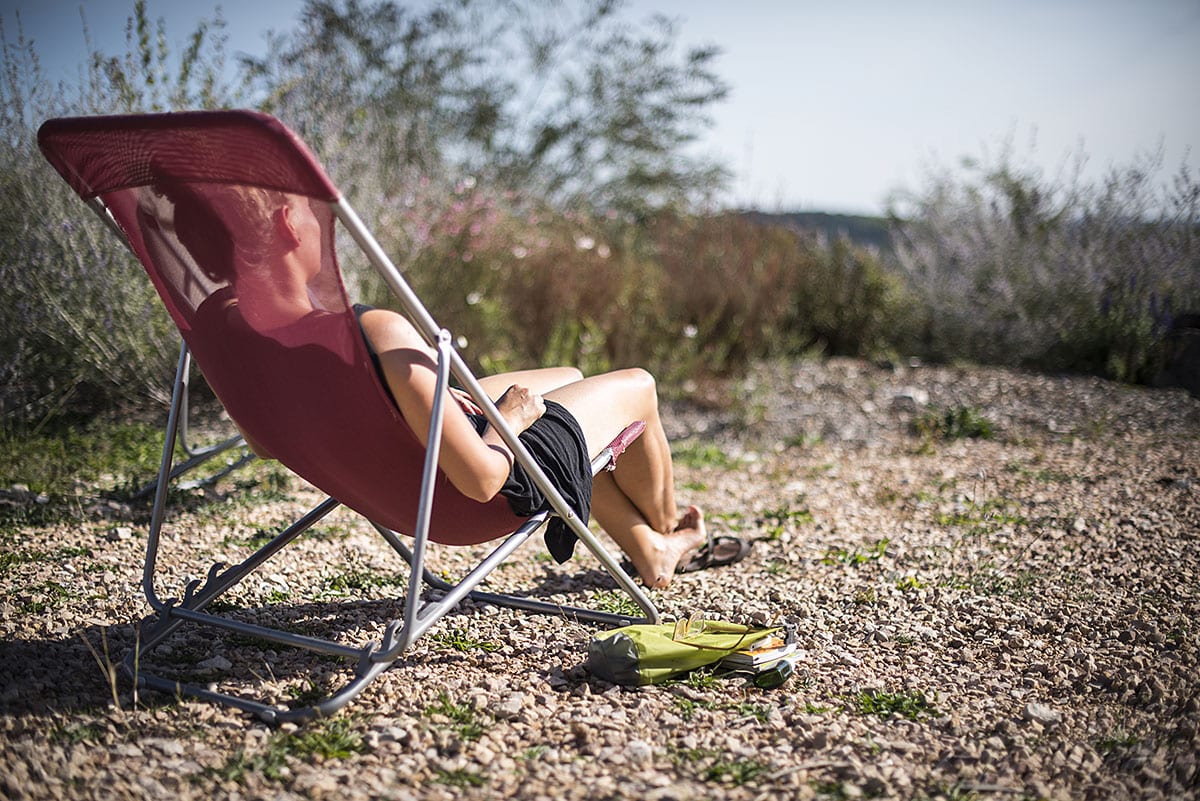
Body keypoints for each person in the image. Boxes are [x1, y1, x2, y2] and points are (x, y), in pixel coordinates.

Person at [162, 180, 748, 588]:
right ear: (289, 224)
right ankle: (669, 537)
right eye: (311, 212)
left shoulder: (220, 326)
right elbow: (481, 477)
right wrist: (508, 420)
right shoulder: (374, 330)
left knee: (570, 379)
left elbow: (265, 442)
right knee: (638, 386)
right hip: (460, 499)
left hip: (385, 479)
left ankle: (641, 547)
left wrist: (430, 408)